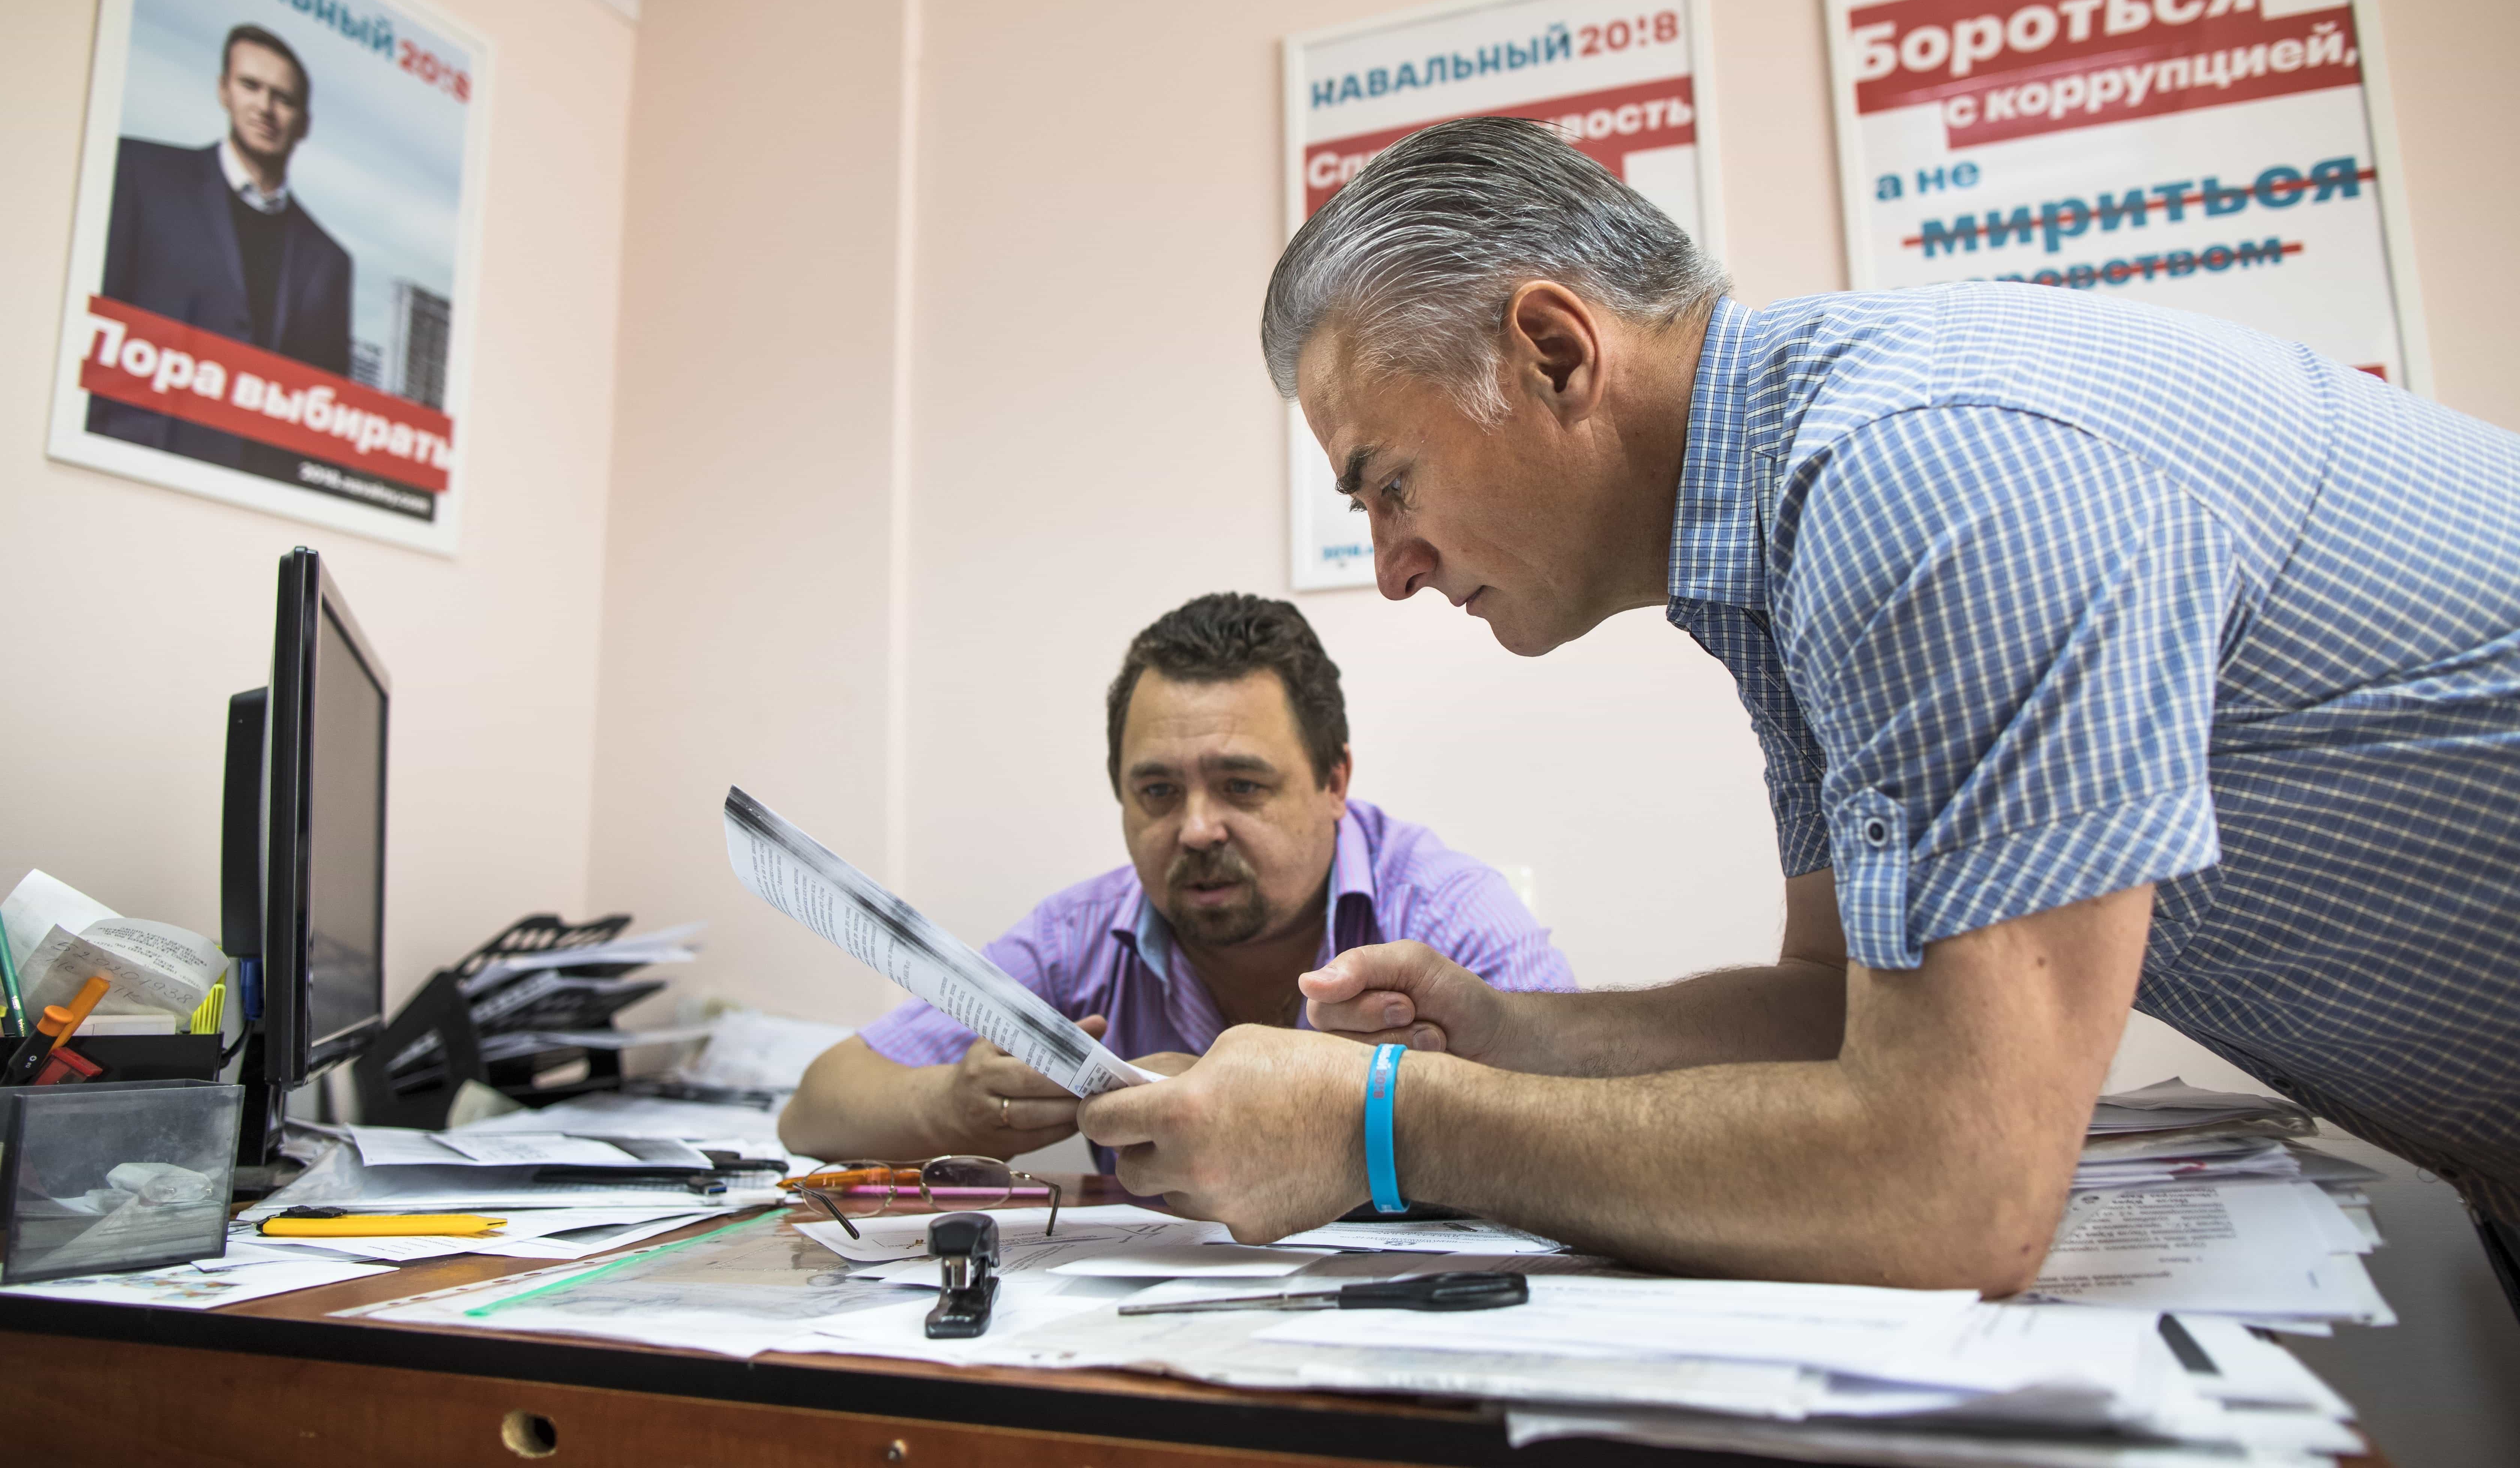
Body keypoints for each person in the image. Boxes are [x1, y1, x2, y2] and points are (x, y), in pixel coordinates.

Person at [1079, 116, 2520, 1291]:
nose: (1389, 569)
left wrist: (1380, 1127)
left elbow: (1951, 1187)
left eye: (1386, 483)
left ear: (1555, 352)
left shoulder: (1917, 474)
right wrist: (1506, 1033)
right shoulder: (1775, 544)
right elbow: (1837, 1013)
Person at [779, 592, 1574, 1168]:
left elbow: (1578, 1131)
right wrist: (952, 1105)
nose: (1196, 828)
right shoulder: (1077, 936)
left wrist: (1323, 1119)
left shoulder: (1449, 915)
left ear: (1335, 782)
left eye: (1242, 784)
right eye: (1157, 791)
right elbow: (815, 1106)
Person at [92, 23, 353, 466]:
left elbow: (322, 421)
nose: (265, 107)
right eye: (251, 85)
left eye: (284, 98)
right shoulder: (141, 175)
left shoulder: (329, 260)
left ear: (304, 123)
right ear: (224, 90)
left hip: (254, 499)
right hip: (130, 467)